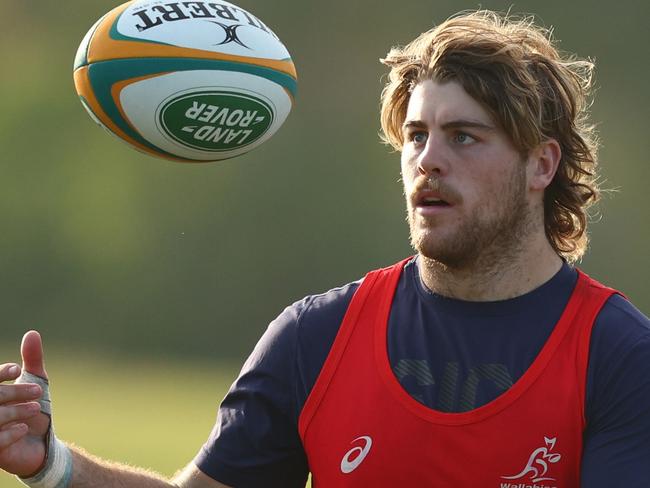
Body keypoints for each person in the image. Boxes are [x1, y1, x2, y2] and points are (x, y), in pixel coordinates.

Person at [1, 9, 649, 488]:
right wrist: (52, 463)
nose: (428, 160)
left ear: (541, 166)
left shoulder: (618, 356)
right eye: (416, 136)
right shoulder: (317, 337)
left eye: (465, 137)